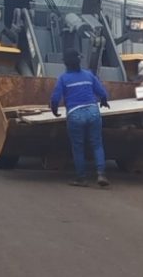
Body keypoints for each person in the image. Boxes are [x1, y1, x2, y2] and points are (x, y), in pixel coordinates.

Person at [51, 48, 111, 188]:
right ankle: (101, 174)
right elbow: (102, 92)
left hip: (75, 114)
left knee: (78, 147)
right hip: (93, 111)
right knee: (97, 144)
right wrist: (103, 101)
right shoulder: (89, 75)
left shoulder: (63, 78)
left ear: (65, 63)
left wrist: (54, 110)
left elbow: (55, 98)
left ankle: (81, 178)